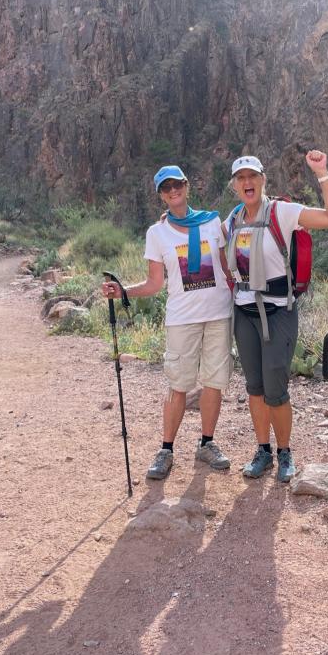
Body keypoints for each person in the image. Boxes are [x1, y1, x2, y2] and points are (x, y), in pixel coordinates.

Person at [101, 165, 234, 480]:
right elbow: (154, 283)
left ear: (187, 186)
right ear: (161, 195)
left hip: (218, 314)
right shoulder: (157, 233)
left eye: (177, 185)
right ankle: (166, 449)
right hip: (182, 319)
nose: (172, 191)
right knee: (178, 385)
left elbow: (228, 268)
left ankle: (207, 443)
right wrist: (123, 292)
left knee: (214, 383)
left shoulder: (212, 222)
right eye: (166, 188)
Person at [224, 150, 328, 482]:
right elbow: (214, 248)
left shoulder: (282, 211)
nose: (247, 183)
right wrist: (170, 219)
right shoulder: (232, 220)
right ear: (235, 185)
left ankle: (284, 451)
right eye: (241, 178)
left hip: (278, 311)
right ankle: (263, 451)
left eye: (253, 177)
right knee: (255, 387)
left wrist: (322, 173)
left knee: (276, 386)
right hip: (244, 313)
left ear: (263, 180)